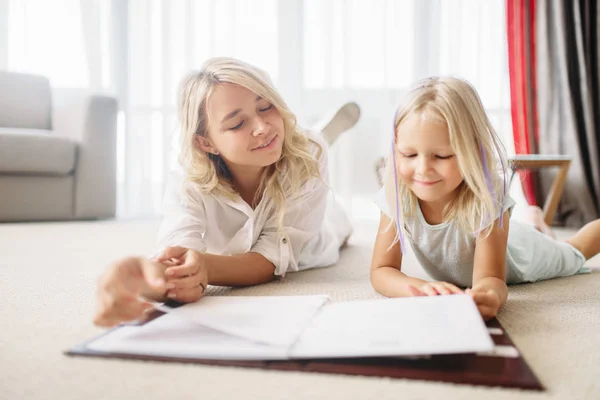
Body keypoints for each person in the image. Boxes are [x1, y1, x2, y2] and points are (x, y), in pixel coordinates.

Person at [94, 57, 356, 327]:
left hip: (310, 236)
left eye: (266, 107)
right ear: (206, 143)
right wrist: (146, 278)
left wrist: (205, 267)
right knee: (288, 146)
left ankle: (309, 135)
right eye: (237, 124)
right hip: (267, 192)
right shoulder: (188, 179)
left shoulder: (310, 156)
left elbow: (268, 259)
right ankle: (303, 133)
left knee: (338, 223)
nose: (261, 127)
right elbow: (178, 250)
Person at [370, 76, 600, 320]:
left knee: (573, 251)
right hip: (506, 235)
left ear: (473, 152)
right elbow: (381, 270)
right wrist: (420, 289)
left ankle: (537, 226)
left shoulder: (486, 199)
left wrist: (489, 295)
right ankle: (535, 221)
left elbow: (491, 279)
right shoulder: (397, 193)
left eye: (441, 156)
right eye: (409, 154)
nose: (423, 168)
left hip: (523, 254)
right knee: (533, 231)